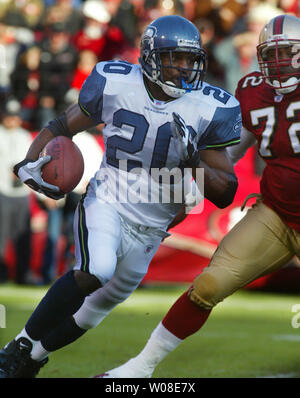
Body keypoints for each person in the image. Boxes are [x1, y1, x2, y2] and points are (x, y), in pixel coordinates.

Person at [0, 15, 241, 378]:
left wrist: (194, 164)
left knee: (93, 312)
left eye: (191, 59)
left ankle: (28, 360)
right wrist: (30, 161)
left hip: (152, 227)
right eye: (175, 58)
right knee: (96, 270)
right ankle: (14, 349)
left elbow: (225, 192)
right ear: (149, 57)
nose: (185, 68)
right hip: (109, 200)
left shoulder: (211, 106)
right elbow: (62, 125)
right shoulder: (115, 82)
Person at [94, 14, 300, 378]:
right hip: (277, 214)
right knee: (208, 285)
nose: (279, 61)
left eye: (288, 52)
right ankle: (139, 369)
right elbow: (227, 156)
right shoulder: (253, 90)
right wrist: (188, 193)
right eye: (272, 52)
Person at [0, 98, 32, 284]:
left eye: (15, 116)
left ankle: (23, 274)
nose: (12, 120)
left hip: (22, 192)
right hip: (3, 189)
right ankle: (2, 272)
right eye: (9, 116)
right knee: (2, 236)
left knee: (23, 236)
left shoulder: (24, 136)